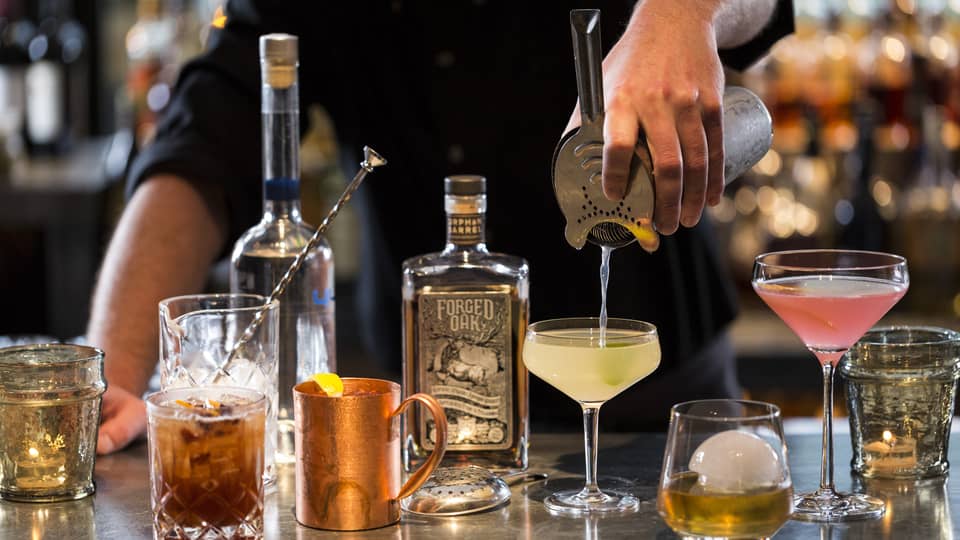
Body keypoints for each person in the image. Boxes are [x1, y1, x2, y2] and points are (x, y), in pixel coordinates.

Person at [90, 0, 794, 454]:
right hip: (429, 410)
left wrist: (681, 16)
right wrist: (113, 377)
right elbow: (210, 133)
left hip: (651, 387)